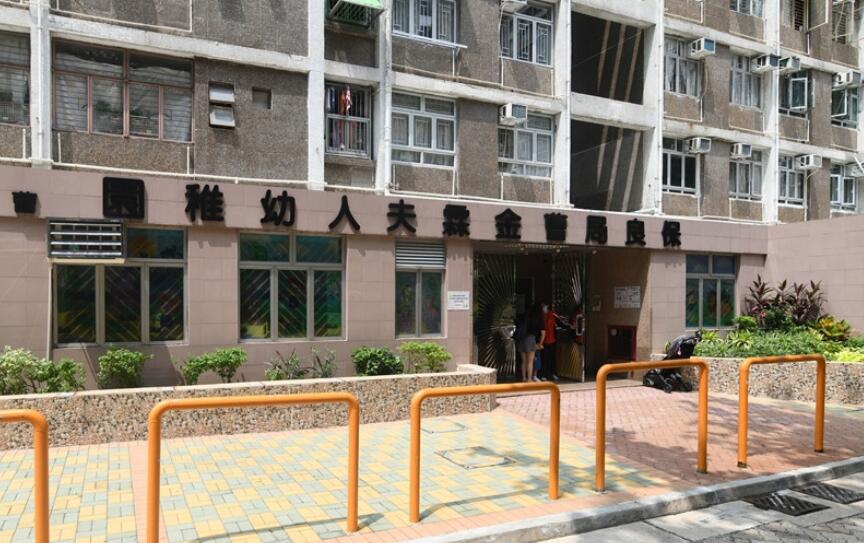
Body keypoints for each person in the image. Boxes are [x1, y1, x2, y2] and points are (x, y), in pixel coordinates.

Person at [516, 304, 545, 382]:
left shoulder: (524, 317)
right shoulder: (538, 318)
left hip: (521, 339)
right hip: (531, 339)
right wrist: (540, 344)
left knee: (524, 361)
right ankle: (529, 379)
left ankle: (524, 378)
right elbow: (543, 333)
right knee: (530, 361)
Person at [541, 302, 560, 381]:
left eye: (544, 306)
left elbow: (560, 322)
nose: (543, 308)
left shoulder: (553, 314)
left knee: (552, 358)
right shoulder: (540, 315)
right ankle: (544, 374)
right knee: (544, 358)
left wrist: (569, 326)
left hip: (552, 340)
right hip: (543, 341)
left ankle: (553, 373)